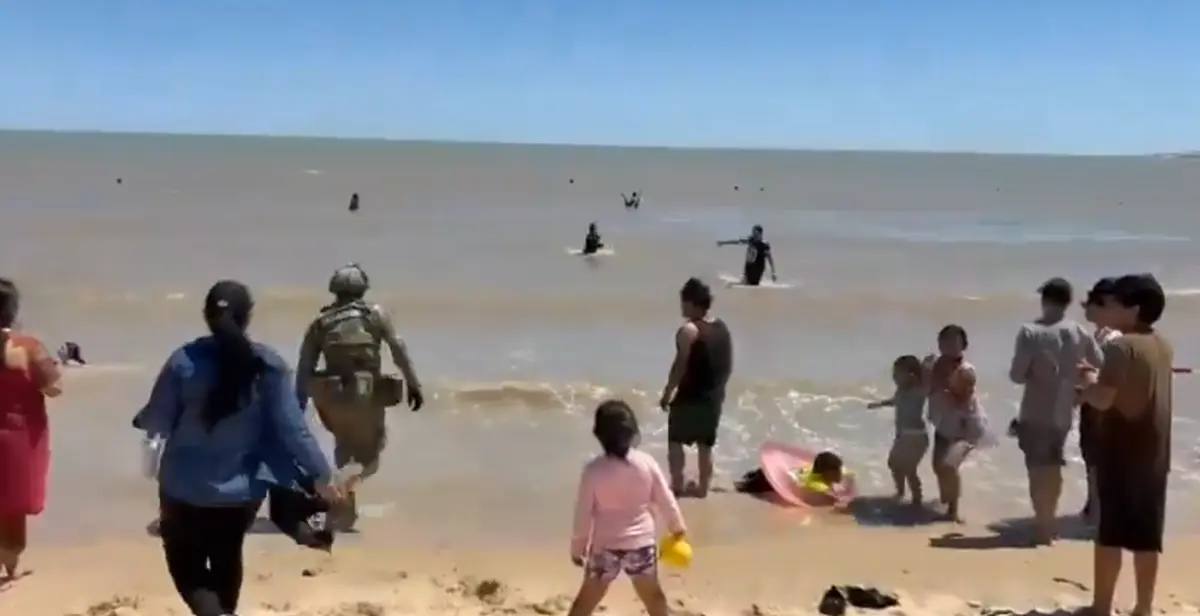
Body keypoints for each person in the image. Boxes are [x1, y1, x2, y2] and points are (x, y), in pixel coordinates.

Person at [134, 280, 340, 616]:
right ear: (248, 317)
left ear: (206, 316)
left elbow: (157, 421)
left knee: (187, 570)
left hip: (182, 489)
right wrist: (321, 475)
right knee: (227, 556)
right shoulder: (269, 366)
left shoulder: (184, 361)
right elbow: (294, 431)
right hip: (241, 492)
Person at [296, 263, 425, 530]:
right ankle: (337, 488)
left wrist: (296, 406)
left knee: (344, 447)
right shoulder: (375, 315)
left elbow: (304, 367)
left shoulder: (320, 322)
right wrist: (413, 383)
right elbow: (397, 348)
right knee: (372, 453)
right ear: (363, 288)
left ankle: (343, 514)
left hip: (331, 395)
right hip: (365, 394)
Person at [1077, 273, 1172, 616]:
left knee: (1110, 533)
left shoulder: (1119, 346)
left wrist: (1086, 381)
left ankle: (1101, 606)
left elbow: (1103, 399)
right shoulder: (1161, 344)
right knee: (1147, 536)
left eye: (1114, 301)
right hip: (1155, 453)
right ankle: (1143, 607)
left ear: (1133, 308)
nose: (1108, 306)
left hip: (1121, 449)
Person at [567, 400, 685, 616]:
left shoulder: (593, 471)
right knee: (653, 597)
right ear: (633, 431)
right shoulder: (646, 463)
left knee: (585, 602)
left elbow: (582, 514)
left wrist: (577, 548)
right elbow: (665, 498)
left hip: (605, 548)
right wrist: (677, 526)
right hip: (640, 545)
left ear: (598, 435)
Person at [1007, 277, 1102, 545]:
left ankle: (1043, 526)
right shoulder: (1079, 331)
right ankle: (1049, 523)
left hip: (1034, 411)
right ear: (1068, 302)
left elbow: (1017, 376)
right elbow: (1101, 362)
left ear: (1044, 300)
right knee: (1054, 465)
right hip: (1064, 412)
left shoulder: (1030, 331)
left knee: (1038, 469)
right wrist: (1079, 370)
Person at [0, 278, 62, 583]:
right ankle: (10, 566)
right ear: (13, 311)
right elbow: (53, 387)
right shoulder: (29, 348)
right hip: (18, 436)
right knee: (12, 505)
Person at [658, 277, 733, 497]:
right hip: (714, 396)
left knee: (675, 440)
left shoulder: (688, 330)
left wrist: (667, 393)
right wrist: (719, 390)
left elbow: (679, 366)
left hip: (691, 395)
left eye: (683, 302)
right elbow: (727, 363)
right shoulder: (721, 327)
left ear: (692, 303)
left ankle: (678, 485)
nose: (681, 306)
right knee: (705, 445)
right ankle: (702, 488)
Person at [925, 324, 983, 523]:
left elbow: (959, 396)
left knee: (949, 466)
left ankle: (953, 511)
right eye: (945, 341)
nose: (949, 345)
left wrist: (943, 381)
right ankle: (946, 499)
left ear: (963, 345)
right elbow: (926, 389)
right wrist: (926, 373)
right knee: (937, 466)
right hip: (943, 424)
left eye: (954, 342)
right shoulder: (935, 365)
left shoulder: (967, 371)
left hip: (965, 426)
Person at [1079, 277, 1121, 523]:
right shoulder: (1101, 334)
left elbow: (1105, 374)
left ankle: (1097, 511)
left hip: (1101, 406)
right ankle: (1094, 507)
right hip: (1094, 401)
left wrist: (1084, 375)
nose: (1086, 308)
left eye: (1092, 303)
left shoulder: (1111, 337)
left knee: (1096, 458)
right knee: (1093, 457)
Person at [868, 355, 928, 507]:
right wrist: (880, 404)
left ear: (911, 375)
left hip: (916, 436)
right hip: (903, 435)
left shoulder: (918, 389)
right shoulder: (901, 389)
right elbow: (896, 401)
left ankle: (917, 499)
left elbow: (929, 382)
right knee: (894, 463)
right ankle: (900, 492)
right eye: (893, 373)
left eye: (897, 373)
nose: (894, 377)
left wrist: (926, 366)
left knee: (909, 468)